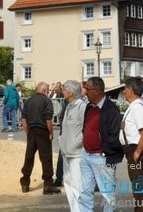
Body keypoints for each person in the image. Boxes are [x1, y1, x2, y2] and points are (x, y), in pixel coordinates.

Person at [78, 76, 123, 212]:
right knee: (85, 192)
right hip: (86, 155)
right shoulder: (89, 107)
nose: (85, 92)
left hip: (102, 157)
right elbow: (86, 127)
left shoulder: (111, 110)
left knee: (107, 195)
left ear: (97, 91)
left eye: (88, 89)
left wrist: (104, 151)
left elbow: (115, 136)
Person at [121, 76, 143, 211]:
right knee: (140, 192)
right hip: (136, 150)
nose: (124, 92)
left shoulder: (137, 108)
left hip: (140, 151)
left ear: (131, 90)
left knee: (141, 193)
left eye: (125, 89)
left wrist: (136, 154)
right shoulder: (135, 107)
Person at [20, 81, 59, 194]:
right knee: (46, 157)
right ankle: (47, 184)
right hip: (42, 131)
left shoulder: (28, 101)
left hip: (31, 130)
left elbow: (24, 120)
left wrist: (28, 133)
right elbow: (48, 120)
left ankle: (25, 181)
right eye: (47, 90)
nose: (48, 92)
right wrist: (51, 132)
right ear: (44, 90)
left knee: (29, 156)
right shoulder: (47, 101)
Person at [58, 79, 86, 212]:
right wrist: (61, 142)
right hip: (66, 152)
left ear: (71, 92)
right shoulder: (68, 106)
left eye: (64, 89)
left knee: (77, 185)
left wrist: (76, 143)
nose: (62, 91)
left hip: (76, 154)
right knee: (68, 184)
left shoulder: (82, 107)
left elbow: (85, 130)